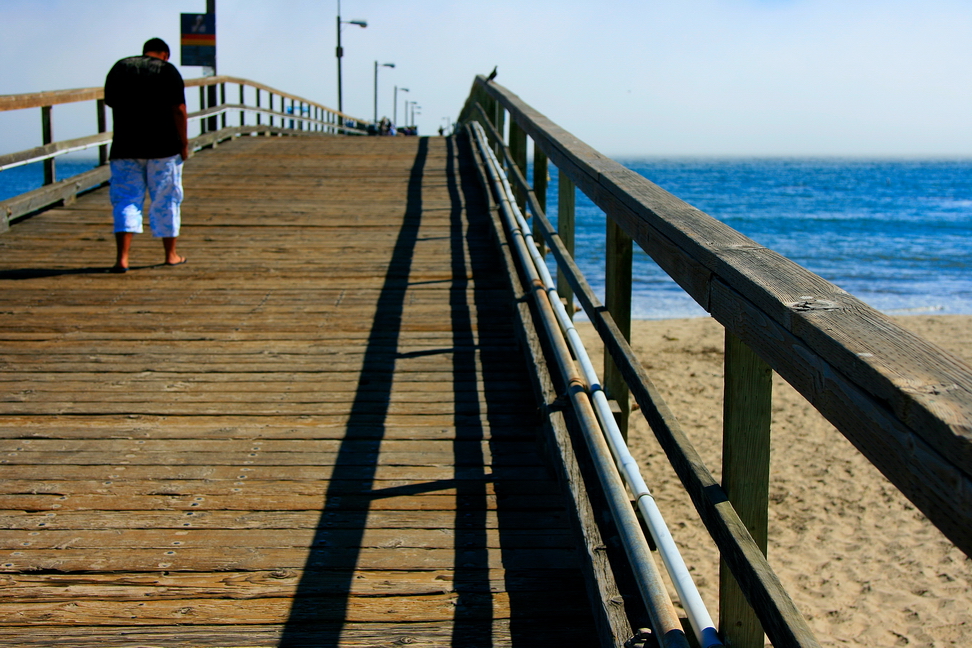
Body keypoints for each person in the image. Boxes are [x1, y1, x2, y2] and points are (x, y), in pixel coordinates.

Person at [104, 37, 189, 273]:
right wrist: (183, 143)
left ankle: (122, 259)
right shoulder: (168, 71)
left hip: (125, 145)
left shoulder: (120, 68)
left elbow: (110, 101)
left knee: (125, 198)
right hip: (164, 147)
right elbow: (179, 109)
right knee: (166, 199)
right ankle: (170, 255)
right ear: (165, 55)